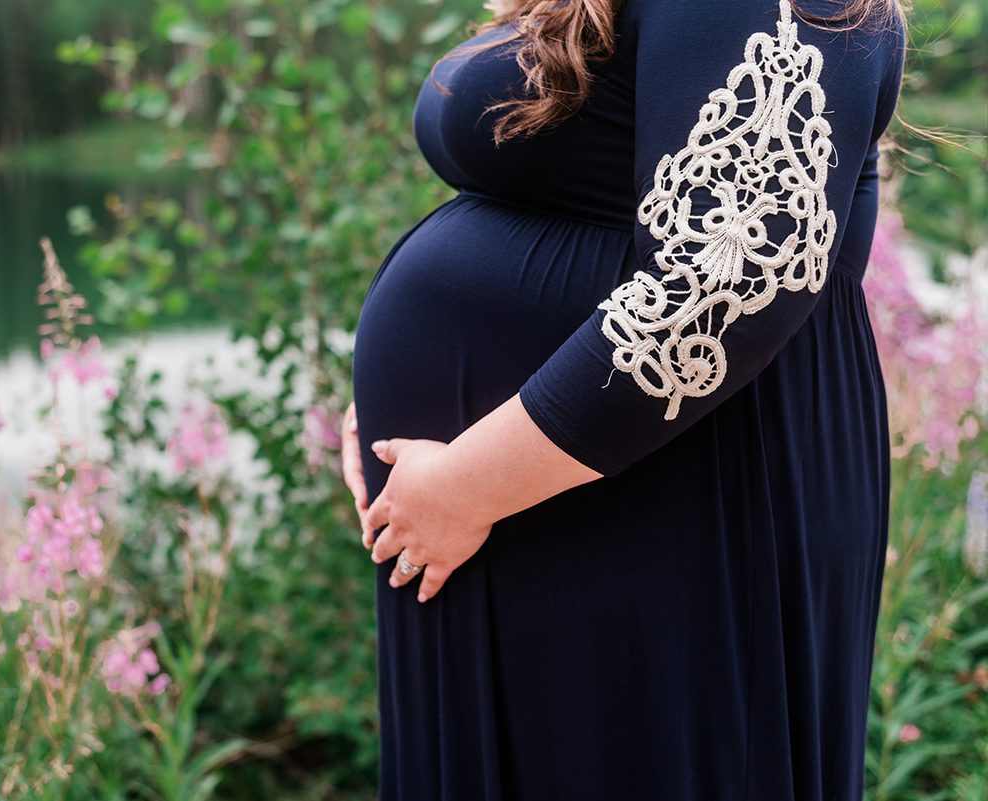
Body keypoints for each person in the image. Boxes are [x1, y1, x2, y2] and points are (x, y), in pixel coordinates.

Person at [343, 0, 907, 797]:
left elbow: (728, 281)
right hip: (552, 494)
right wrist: (407, 394)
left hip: (670, 497)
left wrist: (467, 481)